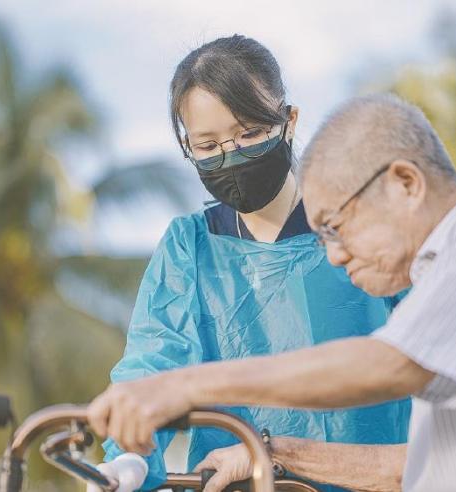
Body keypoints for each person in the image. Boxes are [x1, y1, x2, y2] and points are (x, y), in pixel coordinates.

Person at [88, 94, 456, 492]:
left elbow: (389, 364)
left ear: (404, 182)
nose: (332, 254)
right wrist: (272, 454)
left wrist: (184, 387)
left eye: (334, 226)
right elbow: (408, 469)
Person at [97, 37, 412, 491]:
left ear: (289, 120)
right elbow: (154, 363)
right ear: (187, 145)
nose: (232, 155)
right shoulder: (192, 247)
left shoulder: (361, 228)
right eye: (208, 146)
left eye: (249, 134)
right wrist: (127, 455)